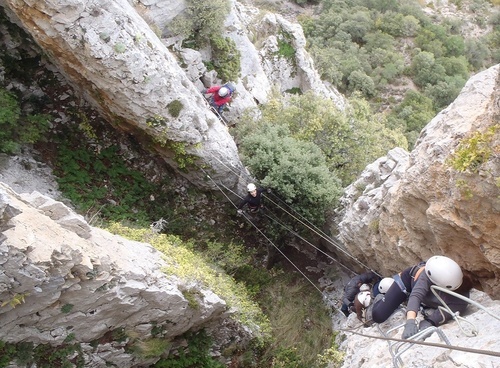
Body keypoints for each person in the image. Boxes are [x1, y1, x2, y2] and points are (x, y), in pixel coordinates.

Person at [371, 255, 472, 339]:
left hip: (426, 296)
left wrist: (429, 322)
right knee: (378, 315)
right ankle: (381, 297)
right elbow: (416, 295)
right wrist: (410, 321)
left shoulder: (460, 302)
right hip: (409, 280)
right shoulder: (429, 274)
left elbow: (438, 316)